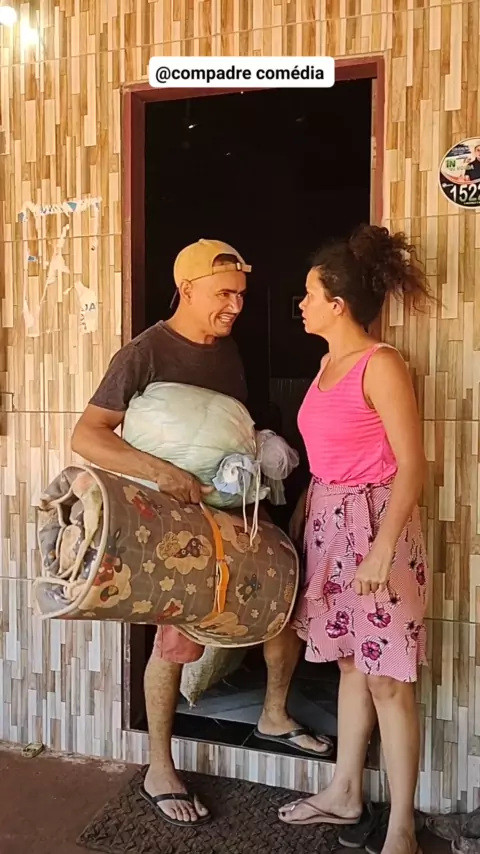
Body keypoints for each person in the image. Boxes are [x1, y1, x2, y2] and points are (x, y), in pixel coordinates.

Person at [71, 238, 332, 828]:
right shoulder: (144, 353)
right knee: (176, 638)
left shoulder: (229, 350)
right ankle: (159, 767)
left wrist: (263, 450)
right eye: (223, 294)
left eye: (240, 295)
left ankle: (274, 713)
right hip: (179, 522)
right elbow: (88, 435)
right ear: (186, 289)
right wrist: (163, 473)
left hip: (239, 507)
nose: (235, 306)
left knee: (282, 598)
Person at [277, 225, 430, 854]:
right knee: (348, 662)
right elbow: (329, 458)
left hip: (376, 528)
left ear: (337, 304)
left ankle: (402, 829)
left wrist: (382, 549)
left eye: (309, 295)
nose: (302, 305)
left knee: (388, 677)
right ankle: (345, 792)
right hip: (329, 524)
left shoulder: (381, 363)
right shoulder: (324, 366)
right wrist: (306, 513)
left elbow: (413, 466)